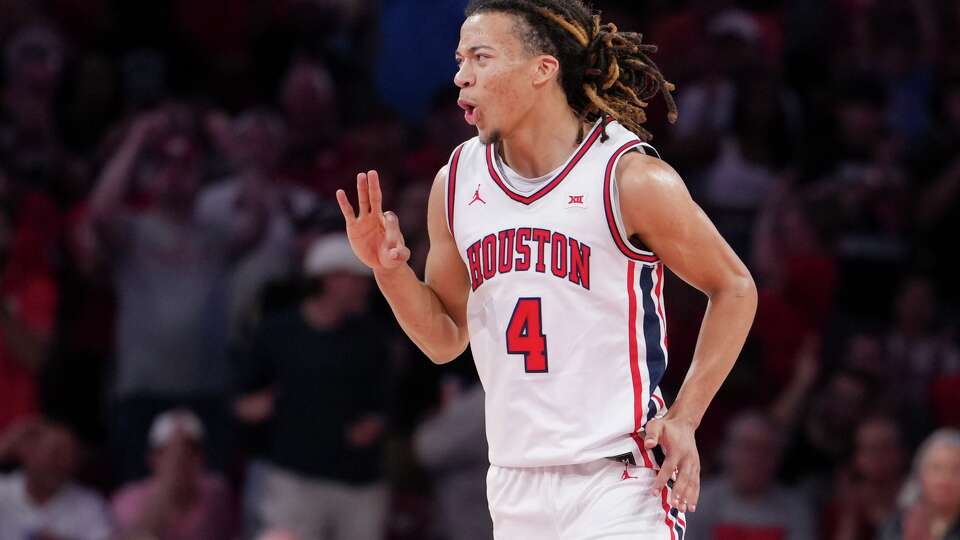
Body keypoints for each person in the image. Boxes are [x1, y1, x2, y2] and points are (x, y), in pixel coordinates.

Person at [336, 0, 758, 537]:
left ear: (542, 69)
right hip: (514, 480)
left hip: (619, 480)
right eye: (460, 59)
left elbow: (735, 286)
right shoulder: (457, 181)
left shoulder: (628, 178)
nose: (461, 76)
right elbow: (444, 339)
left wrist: (686, 414)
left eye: (481, 58)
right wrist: (388, 271)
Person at [236, 234, 389, 540]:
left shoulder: (372, 338)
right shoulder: (277, 332)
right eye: (356, 279)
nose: (364, 287)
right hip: (294, 478)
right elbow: (243, 398)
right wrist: (258, 406)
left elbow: (384, 401)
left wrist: (375, 422)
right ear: (329, 279)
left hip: (358, 481)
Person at [111, 409, 236, 540]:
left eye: (191, 452)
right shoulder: (128, 499)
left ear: (202, 457)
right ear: (152, 458)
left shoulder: (217, 493)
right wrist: (168, 486)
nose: (180, 460)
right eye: (169, 453)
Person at [686, 412, 813, 540]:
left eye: (764, 449)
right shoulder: (699, 501)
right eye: (747, 447)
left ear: (778, 456)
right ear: (726, 451)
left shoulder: (796, 508)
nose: (755, 458)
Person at [0, 417, 113, 540]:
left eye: (70, 456)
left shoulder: (89, 503)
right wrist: (5, 445)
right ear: (28, 452)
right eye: (54, 454)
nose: (62, 464)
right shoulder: (3, 490)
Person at [879, 429, 960, 540]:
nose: (944, 479)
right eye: (936, 468)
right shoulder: (896, 526)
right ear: (920, 474)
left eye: (956, 470)